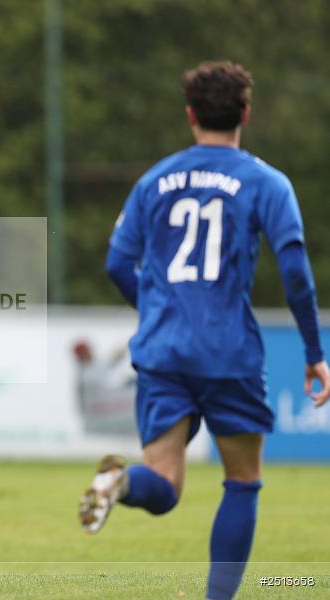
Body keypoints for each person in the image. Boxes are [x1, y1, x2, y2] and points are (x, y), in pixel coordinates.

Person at [78, 61, 330, 600]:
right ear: (245, 113)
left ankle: (119, 481)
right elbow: (294, 270)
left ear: (190, 114)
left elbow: (119, 264)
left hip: (163, 350)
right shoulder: (266, 181)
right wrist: (314, 351)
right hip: (229, 350)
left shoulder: (156, 179)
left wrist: (159, 314)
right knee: (242, 480)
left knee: (164, 483)